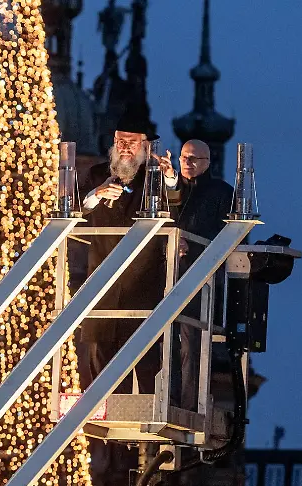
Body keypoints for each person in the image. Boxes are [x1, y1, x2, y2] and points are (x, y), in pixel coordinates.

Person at [79, 108, 175, 395]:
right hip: (102, 283)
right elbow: (76, 209)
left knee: (146, 364)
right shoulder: (98, 174)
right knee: (101, 365)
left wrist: (170, 178)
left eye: (131, 143)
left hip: (142, 284)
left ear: (145, 146)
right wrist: (97, 195)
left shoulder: (154, 177)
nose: (124, 148)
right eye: (120, 141)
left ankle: (147, 421)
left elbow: (176, 202)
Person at [162, 139, 235, 409]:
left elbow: (227, 236)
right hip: (168, 274)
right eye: (184, 157)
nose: (187, 163)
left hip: (201, 278)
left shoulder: (222, 192)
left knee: (191, 344)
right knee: (164, 340)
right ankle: (167, 397)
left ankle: (188, 404)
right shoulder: (170, 188)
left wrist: (190, 245)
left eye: (194, 159)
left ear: (207, 162)